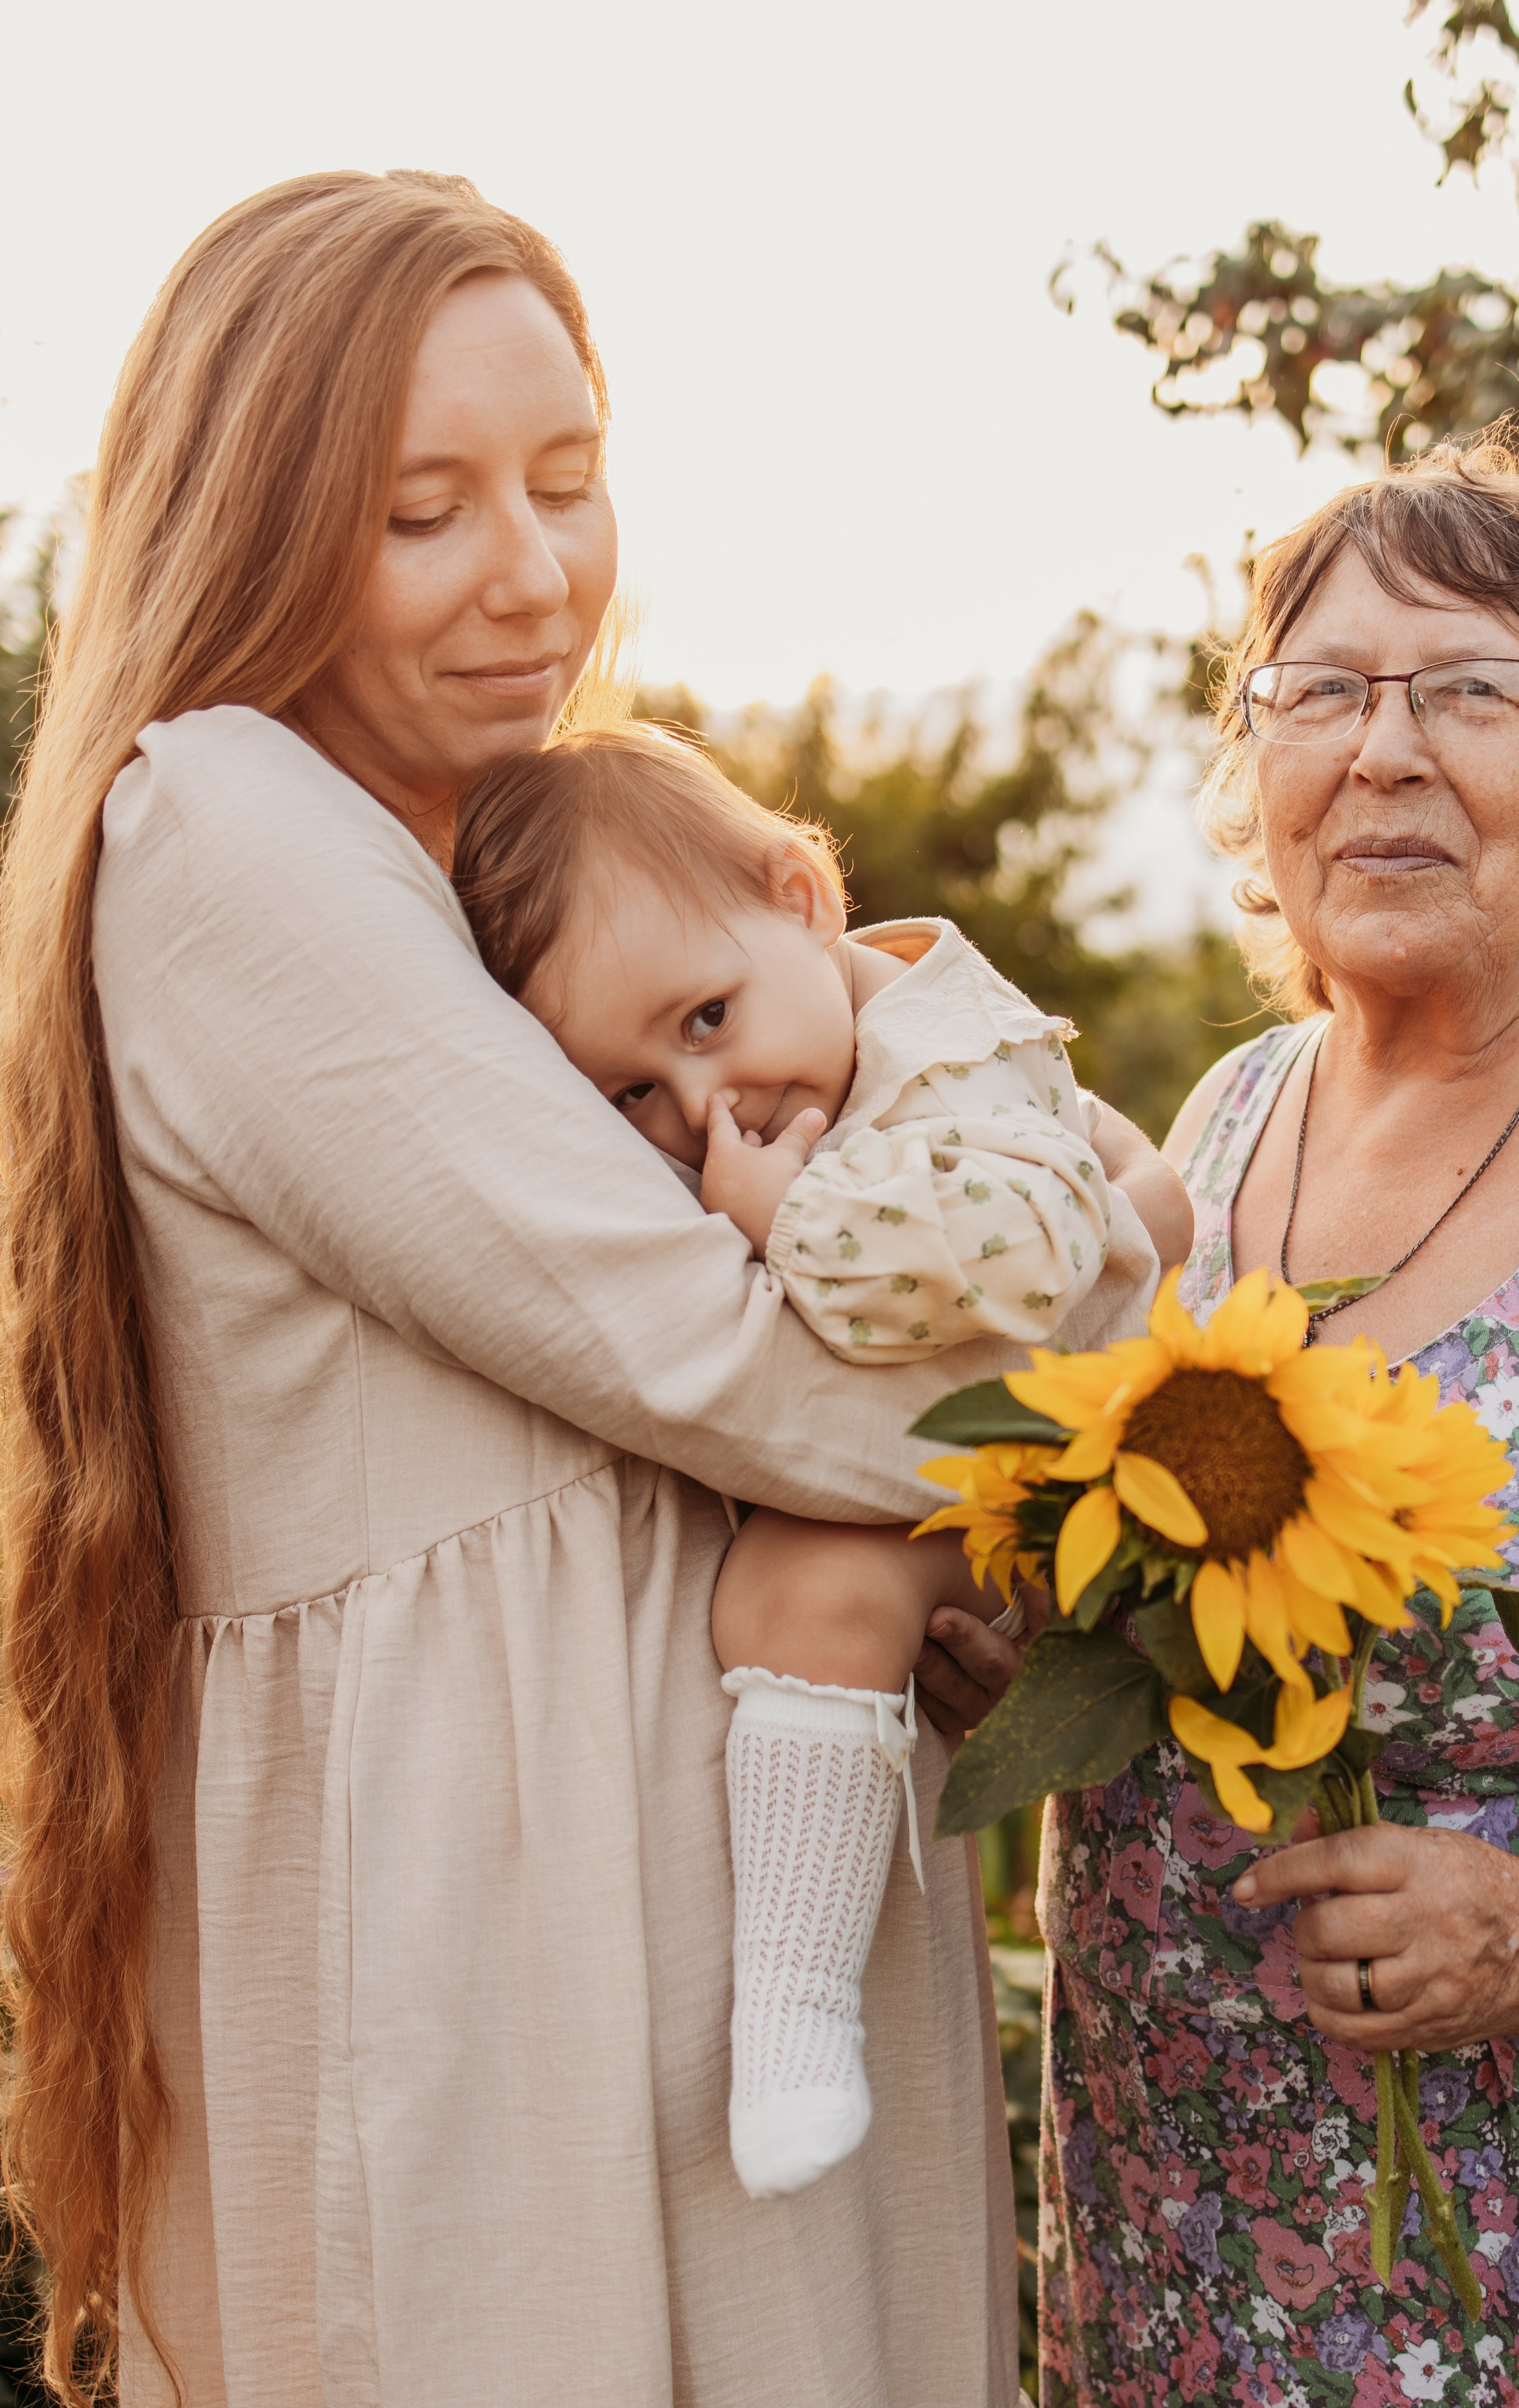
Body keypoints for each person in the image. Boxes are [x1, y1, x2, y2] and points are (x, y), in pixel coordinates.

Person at [1, 169, 1045, 2408]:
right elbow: (716, 1349)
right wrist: (1127, 1391)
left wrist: (949, 1561)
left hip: (693, 1902)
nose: (535, 574)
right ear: (258, 528)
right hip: (503, 1918)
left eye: (568, 481)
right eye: (425, 512)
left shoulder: (521, 866)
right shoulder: (230, 827)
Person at [1037, 436, 1519, 2407]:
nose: (1384, 751)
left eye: (1471, 687)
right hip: (1168, 2260)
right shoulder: (1219, 1125)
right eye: (1320, 691)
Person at [450, 728, 1189, 2202]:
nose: (701, 1106)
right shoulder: (819, 1058)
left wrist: (792, 1221)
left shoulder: (952, 1057)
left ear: (800, 897)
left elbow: (1034, 1253)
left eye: (707, 1017)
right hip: (970, 1458)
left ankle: (793, 2002)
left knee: (800, 1592)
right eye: (631, 1093)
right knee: (792, 1592)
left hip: (1066, 1467)